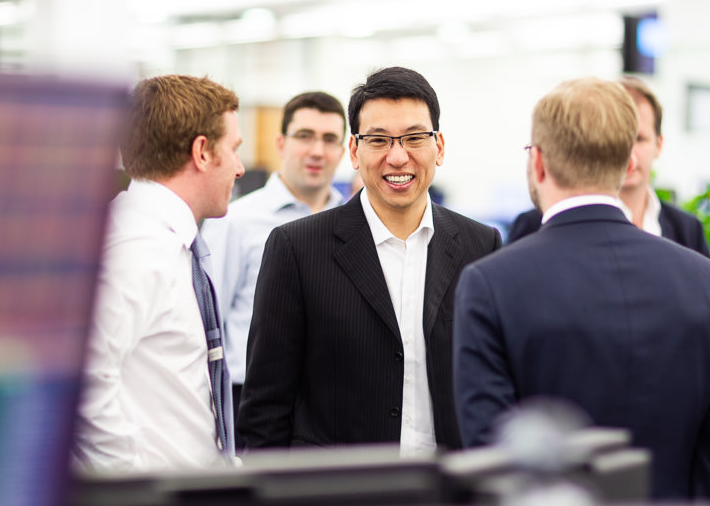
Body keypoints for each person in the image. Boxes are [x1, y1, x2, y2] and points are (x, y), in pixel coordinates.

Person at [453, 78, 710, 502]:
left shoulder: (491, 285)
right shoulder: (709, 283)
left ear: (539, 162)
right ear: (627, 162)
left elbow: (494, 463)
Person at [238, 66, 502, 456]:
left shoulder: (481, 246)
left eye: (415, 137)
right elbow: (265, 407)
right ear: (354, 152)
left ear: (439, 147)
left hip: (450, 485)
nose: (398, 157)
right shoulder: (296, 248)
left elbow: (493, 384)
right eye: (378, 140)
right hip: (343, 489)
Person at [73, 75, 245, 471]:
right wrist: (130, 480)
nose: (239, 168)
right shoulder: (137, 248)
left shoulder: (164, 241)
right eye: (233, 149)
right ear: (202, 152)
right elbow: (84, 379)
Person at [201, 91, 346, 449]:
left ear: (344, 152)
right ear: (281, 143)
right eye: (305, 136)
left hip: (329, 406)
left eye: (330, 140)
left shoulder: (351, 224)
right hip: (250, 401)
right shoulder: (236, 221)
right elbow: (208, 324)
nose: (317, 151)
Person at [507, 77, 710, 259]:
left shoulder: (686, 229)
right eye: (619, 139)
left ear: (659, 145)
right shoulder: (536, 223)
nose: (628, 150)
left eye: (639, 139)